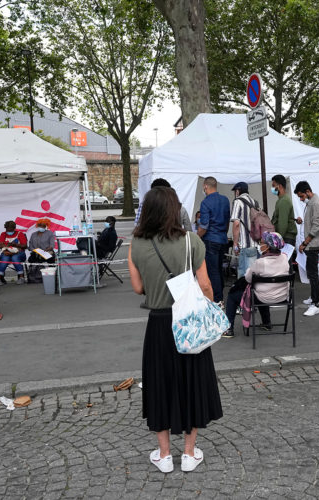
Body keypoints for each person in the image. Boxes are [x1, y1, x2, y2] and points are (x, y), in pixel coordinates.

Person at [128, 186, 222, 474]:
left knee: (160, 384)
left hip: (158, 324)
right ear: (174, 209)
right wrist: (208, 308)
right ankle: (190, 454)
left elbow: (138, 288)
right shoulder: (191, 241)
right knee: (192, 382)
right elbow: (206, 285)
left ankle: (165, 454)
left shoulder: (137, 243)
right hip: (188, 321)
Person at [222, 231, 290, 338]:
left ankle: (229, 329)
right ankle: (267, 323)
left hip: (263, 297)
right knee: (263, 289)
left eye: (262, 243)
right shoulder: (284, 258)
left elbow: (248, 278)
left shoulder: (261, 262)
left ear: (267, 247)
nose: (259, 245)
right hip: (282, 297)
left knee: (232, 295)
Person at [197, 176, 230, 304]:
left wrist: (196, 237)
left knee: (213, 270)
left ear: (205, 186)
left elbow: (204, 226)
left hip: (210, 239)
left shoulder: (205, 202)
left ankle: (217, 299)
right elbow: (227, 221)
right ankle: (219, 295)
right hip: (222, 239)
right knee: (219, 269)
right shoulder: (225, 200)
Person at [294, 181, 319, 317]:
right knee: (311, 272)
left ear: (307, 191)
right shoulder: (311, 202)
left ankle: (316, 304)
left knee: (313, 274)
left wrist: (305, 243)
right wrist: (302, 221)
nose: (301, 199)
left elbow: (317, 225)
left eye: (301, 196)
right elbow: (312, 222)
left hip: (313, 244)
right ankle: (313, 298)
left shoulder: (316, 203)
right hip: (311, 244)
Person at [230, 182, 259, 279]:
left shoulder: (238, 202)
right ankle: (252, 294)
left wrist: (234, 244)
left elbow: (236, 224)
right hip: (256, 245)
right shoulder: (255, 202)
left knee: (244, 277)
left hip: (245, 245)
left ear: (237, 191)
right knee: (254, 276)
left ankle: (245, 294)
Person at [0, 221, 27, 285]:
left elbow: (24, 246)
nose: (9, 232)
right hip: (7, 252)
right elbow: (0, 245)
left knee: (15, 258)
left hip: (19, 253)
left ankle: (21, 278)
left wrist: (15, 245)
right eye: (7, 230)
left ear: (14, 228)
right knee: (4, 258)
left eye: (10, 230)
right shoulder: (3, 234)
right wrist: (6, 250)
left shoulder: (20, 234)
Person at [270, 175, 298, 247]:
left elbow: (283, 224)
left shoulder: (284, 201)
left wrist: (277, 239)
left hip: (286, 238)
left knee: (284, 258)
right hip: (285, 237)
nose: (272, 188)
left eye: (273, 185)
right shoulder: (281, 200)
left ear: (280, 186)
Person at [27, 219, 56, 284]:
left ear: (46, 226)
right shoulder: (33, 234)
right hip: (36, 252)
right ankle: (33, 276)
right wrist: (34, 250)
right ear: (37, 226)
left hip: (47, 252)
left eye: (43, 226)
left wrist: (47, 249)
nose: (41, 227)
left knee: (51, 259)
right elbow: (30, 245)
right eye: (40, 225)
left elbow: (52, 245)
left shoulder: (50, 233)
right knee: (31, 259)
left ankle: (52, 276)